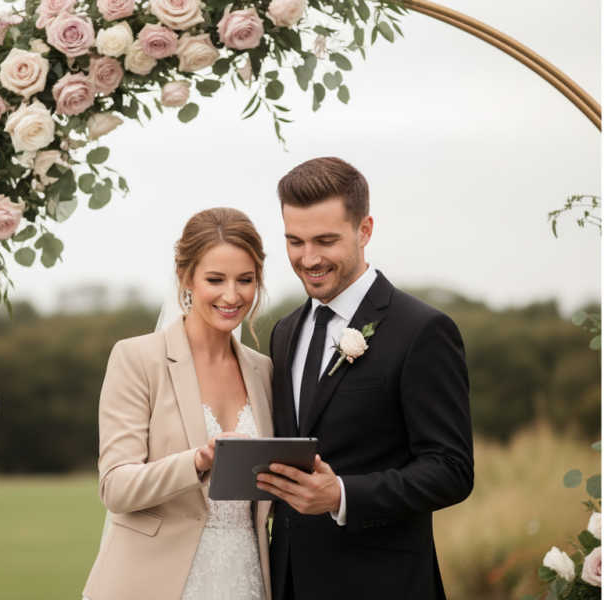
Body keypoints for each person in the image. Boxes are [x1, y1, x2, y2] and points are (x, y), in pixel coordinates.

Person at [256, 157, 475, 600]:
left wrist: (341, 495)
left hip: (380, 584)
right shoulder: (284, 331)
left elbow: (451, 469)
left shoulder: (422, 330)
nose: (309, 258)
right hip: (288, 582)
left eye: (325, 240)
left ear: (365, 230)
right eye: (294, 241)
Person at [83, 207, 274, 600]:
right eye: (215, 279)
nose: (232, 295)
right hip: (152, 583)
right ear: (186, 277)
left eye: (245, 280)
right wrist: (198, 462)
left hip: (246, 577)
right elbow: (115, 487)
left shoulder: (265, 371)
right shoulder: (137, 358)